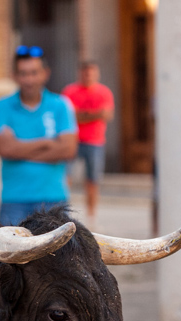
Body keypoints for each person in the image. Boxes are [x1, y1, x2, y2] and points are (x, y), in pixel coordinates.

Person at [0, 46, 78, 226]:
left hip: (53, 199)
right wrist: (47, 143)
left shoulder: (61, 105)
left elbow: (68, 150)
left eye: (34, 73)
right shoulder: (2, 106)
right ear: (14, 76)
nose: (29, 79)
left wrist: (18, 148)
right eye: (23, 74)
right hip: (14, 200)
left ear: (45, 73)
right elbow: (4, 149)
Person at [62, 61, 114, 227]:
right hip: (73, 140)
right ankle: (63, 212)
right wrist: (95, 114)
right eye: (86, 73)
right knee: (65, 177)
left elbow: (107, 115)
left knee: (92, 180)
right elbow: (69, 116)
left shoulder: (104, 92)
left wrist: (83, 115)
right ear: (80, 74)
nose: (88, 76)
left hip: (95, 141)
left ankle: (91, 216)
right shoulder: (70, 92)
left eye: (92, 73)